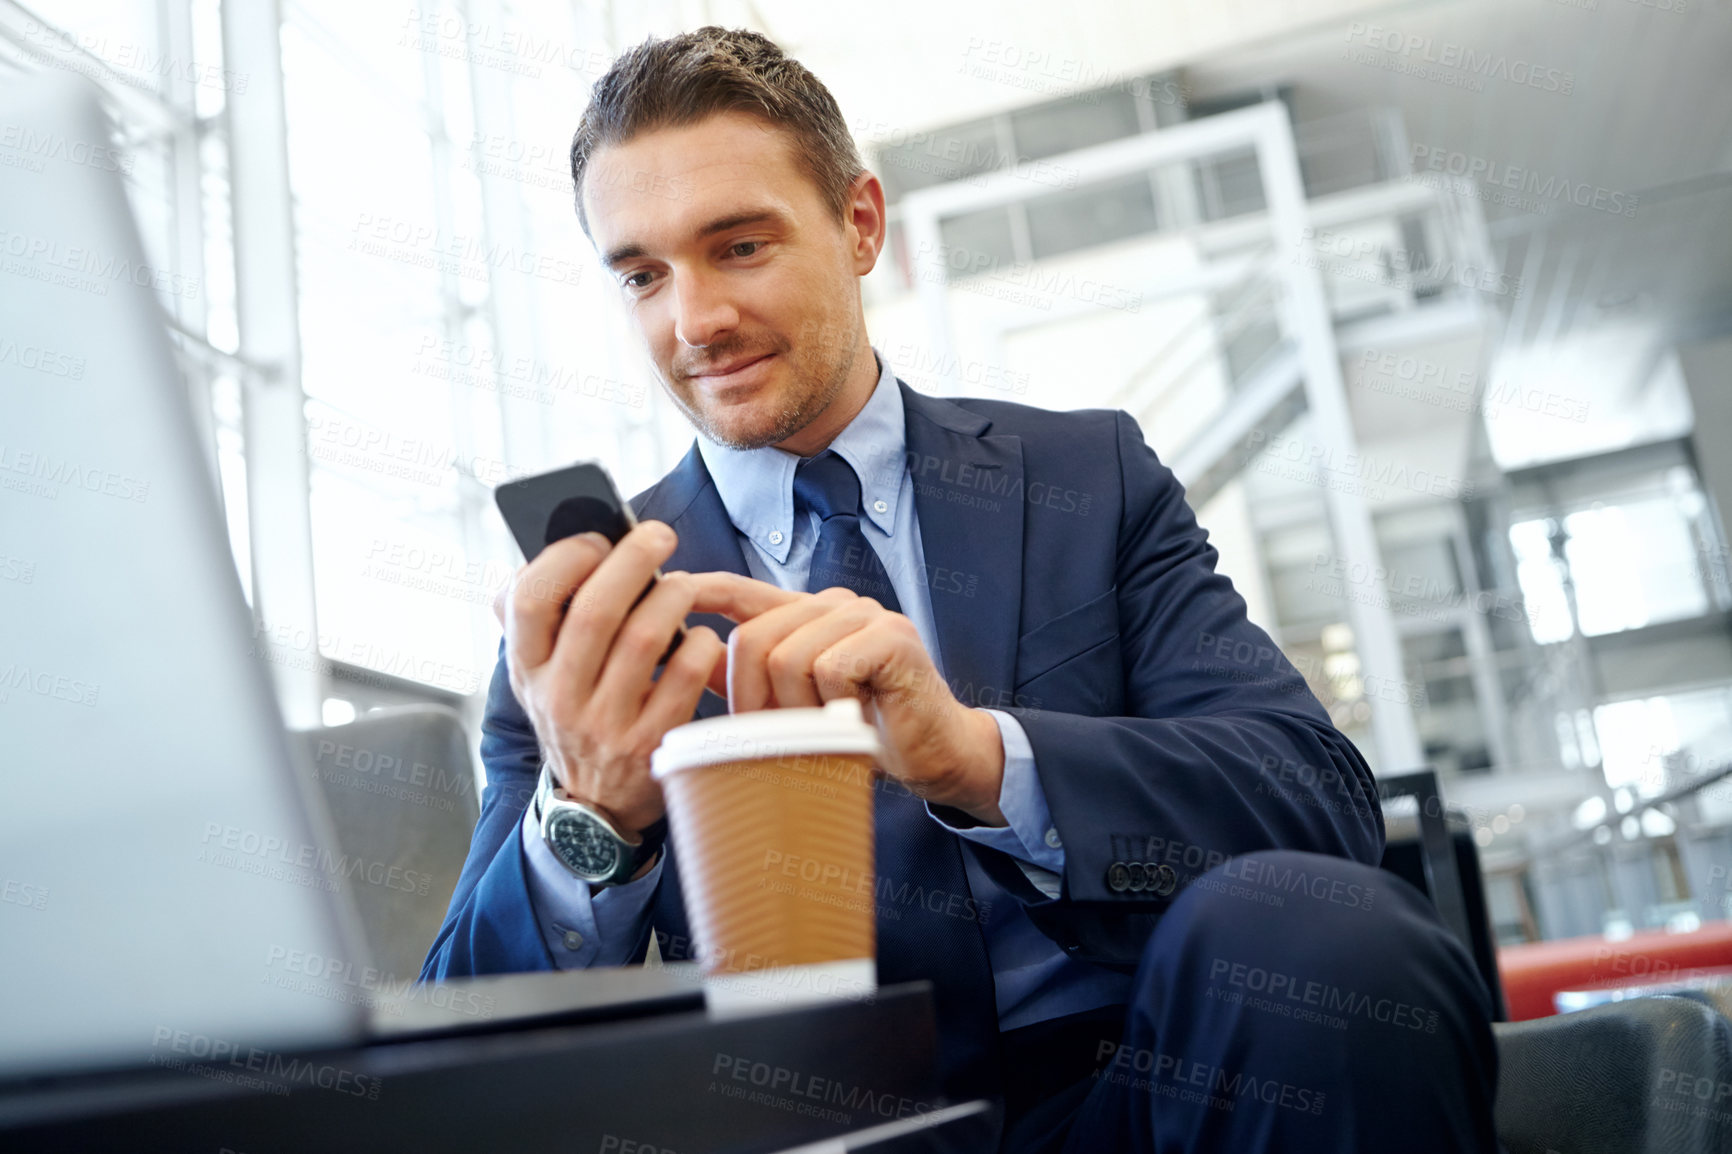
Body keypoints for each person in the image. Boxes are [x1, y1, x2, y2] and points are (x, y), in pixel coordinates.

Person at [423, 26, 1499, 1153]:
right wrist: (591, 816)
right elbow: (455, 1049)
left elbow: (1315, 796)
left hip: (1133, 1096)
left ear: (860, 225)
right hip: (809, 1132)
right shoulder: (583, 625)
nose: (692, 320)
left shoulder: (1089, 478)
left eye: (739, 247)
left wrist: (975, 758)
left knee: (1322, 943)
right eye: (642, 274)